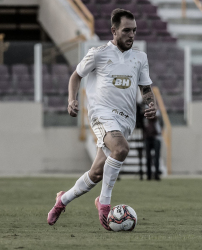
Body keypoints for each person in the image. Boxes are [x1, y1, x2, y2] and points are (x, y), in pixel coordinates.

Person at [47, 8, 157, 231]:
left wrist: (151, 103)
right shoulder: (97, 53)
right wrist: (71, 99)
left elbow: (145, 87)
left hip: (126, 121)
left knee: (96, 173)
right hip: (101, 115)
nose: (131, 35)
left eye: (134, 31)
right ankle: (104, 204)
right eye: (126, 30)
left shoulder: (140, 57)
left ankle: (62, 200)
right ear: (114, 31)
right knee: (121, 149)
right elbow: (76, 76)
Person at [144, 109, 163, 180]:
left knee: (157, 157)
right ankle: (148, 175)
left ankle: (156, 174)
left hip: (156, 137)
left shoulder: (158, 113)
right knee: (148, 157)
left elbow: (161, 124)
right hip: (148, 137)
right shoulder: (146, 111)